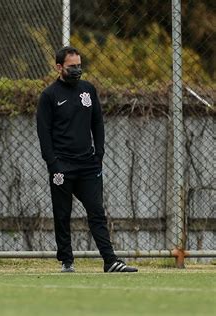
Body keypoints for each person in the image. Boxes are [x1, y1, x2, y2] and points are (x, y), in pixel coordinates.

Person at [36, 46, 138, 273]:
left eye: (79, 66)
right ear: (59, 67)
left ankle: (110, 260)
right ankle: (67, 261)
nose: (77, 70)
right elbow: (44, 133)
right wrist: (53, 164)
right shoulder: (49, 96)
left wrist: (98, 153)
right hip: (62, 166)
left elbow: (97, 123)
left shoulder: (88, 90)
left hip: (88, 164)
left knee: (96, 211)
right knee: (62, 214)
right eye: (72, 67)